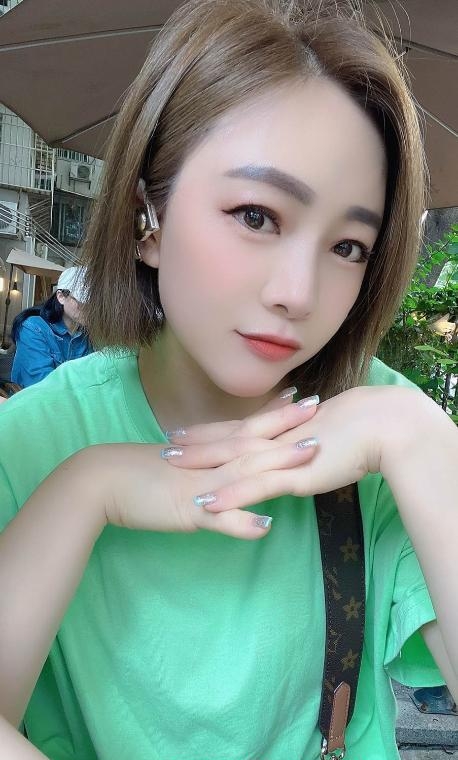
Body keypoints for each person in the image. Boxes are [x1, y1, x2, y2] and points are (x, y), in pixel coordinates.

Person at [0, 0, 457, 758]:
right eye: (256, 216)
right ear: (147, 217)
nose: (298, 293)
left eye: (348, 246)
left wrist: (416, 437)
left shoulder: (383, 433)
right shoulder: (30, 445)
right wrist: (86, 489)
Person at [10, 266, 92, 388]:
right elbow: (41, 385)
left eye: (94, 303)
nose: (90, 309)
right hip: (34, 398)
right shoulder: (33, 327)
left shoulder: (87, 333)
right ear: (61, 296)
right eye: (83, 302)